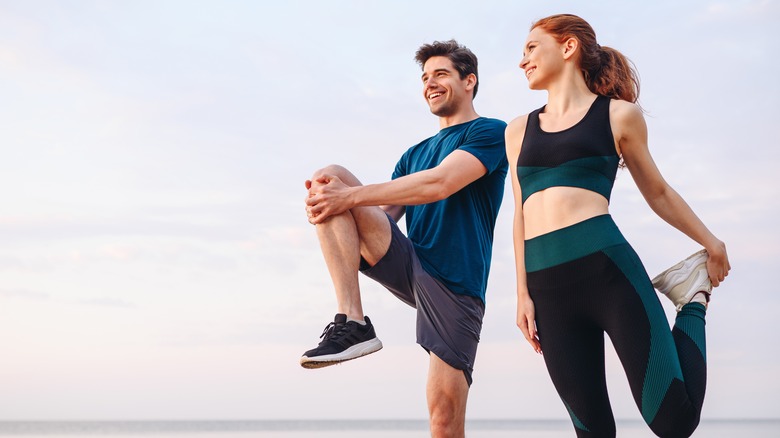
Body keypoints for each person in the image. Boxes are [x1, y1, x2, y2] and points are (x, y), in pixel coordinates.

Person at [505, 14, 731, 438]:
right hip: (546, 287)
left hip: (607, 272)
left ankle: (692, 300)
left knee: (674, 422)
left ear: (568, 47)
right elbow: (519, 213)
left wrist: (710, 242)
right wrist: (522, 294)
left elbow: (658, 192)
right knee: (592, 432)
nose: (523, 61)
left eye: (532, 47)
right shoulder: (518, 130)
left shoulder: (618, 116)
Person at [301, 40, 508, 438]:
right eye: (425, 77)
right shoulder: (413, 153)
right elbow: (382, 218)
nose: (430, 83)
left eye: (441, 74)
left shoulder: (490, 132)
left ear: (470, 81)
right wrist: (331, 208)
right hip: (409, 263)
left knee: (443, 420)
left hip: (455, 282)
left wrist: (348, 197)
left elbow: (442, 182)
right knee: (330, 177)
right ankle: (353, 320)